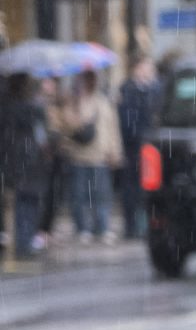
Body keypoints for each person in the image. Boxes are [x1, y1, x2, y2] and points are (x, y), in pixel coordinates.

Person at [49, 71, 120, 244]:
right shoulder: (72, 101)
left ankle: (102, 227)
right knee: (78, 195)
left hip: (100, 155)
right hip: (78, 155)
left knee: (101, 194)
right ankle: (82, 228)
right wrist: (76, 111)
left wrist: (115, 151)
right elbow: (65, 126)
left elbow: (112, 128)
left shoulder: (103, 102)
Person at [115, 56, 162, 244]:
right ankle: (131, 226)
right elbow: (126, 121)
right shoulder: (127, 91)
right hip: (133, 147)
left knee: (148, 189)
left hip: (150, 147)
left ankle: (146, 225)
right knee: (131, 188)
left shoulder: (156, 90)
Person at [1, 76, 48, 261]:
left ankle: (20, 240)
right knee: (30, 202)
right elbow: (42, 137)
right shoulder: (34, 109)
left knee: (19, 202)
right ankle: (25, 241)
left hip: (12, 162)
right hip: (31, 161)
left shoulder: (6, 108)